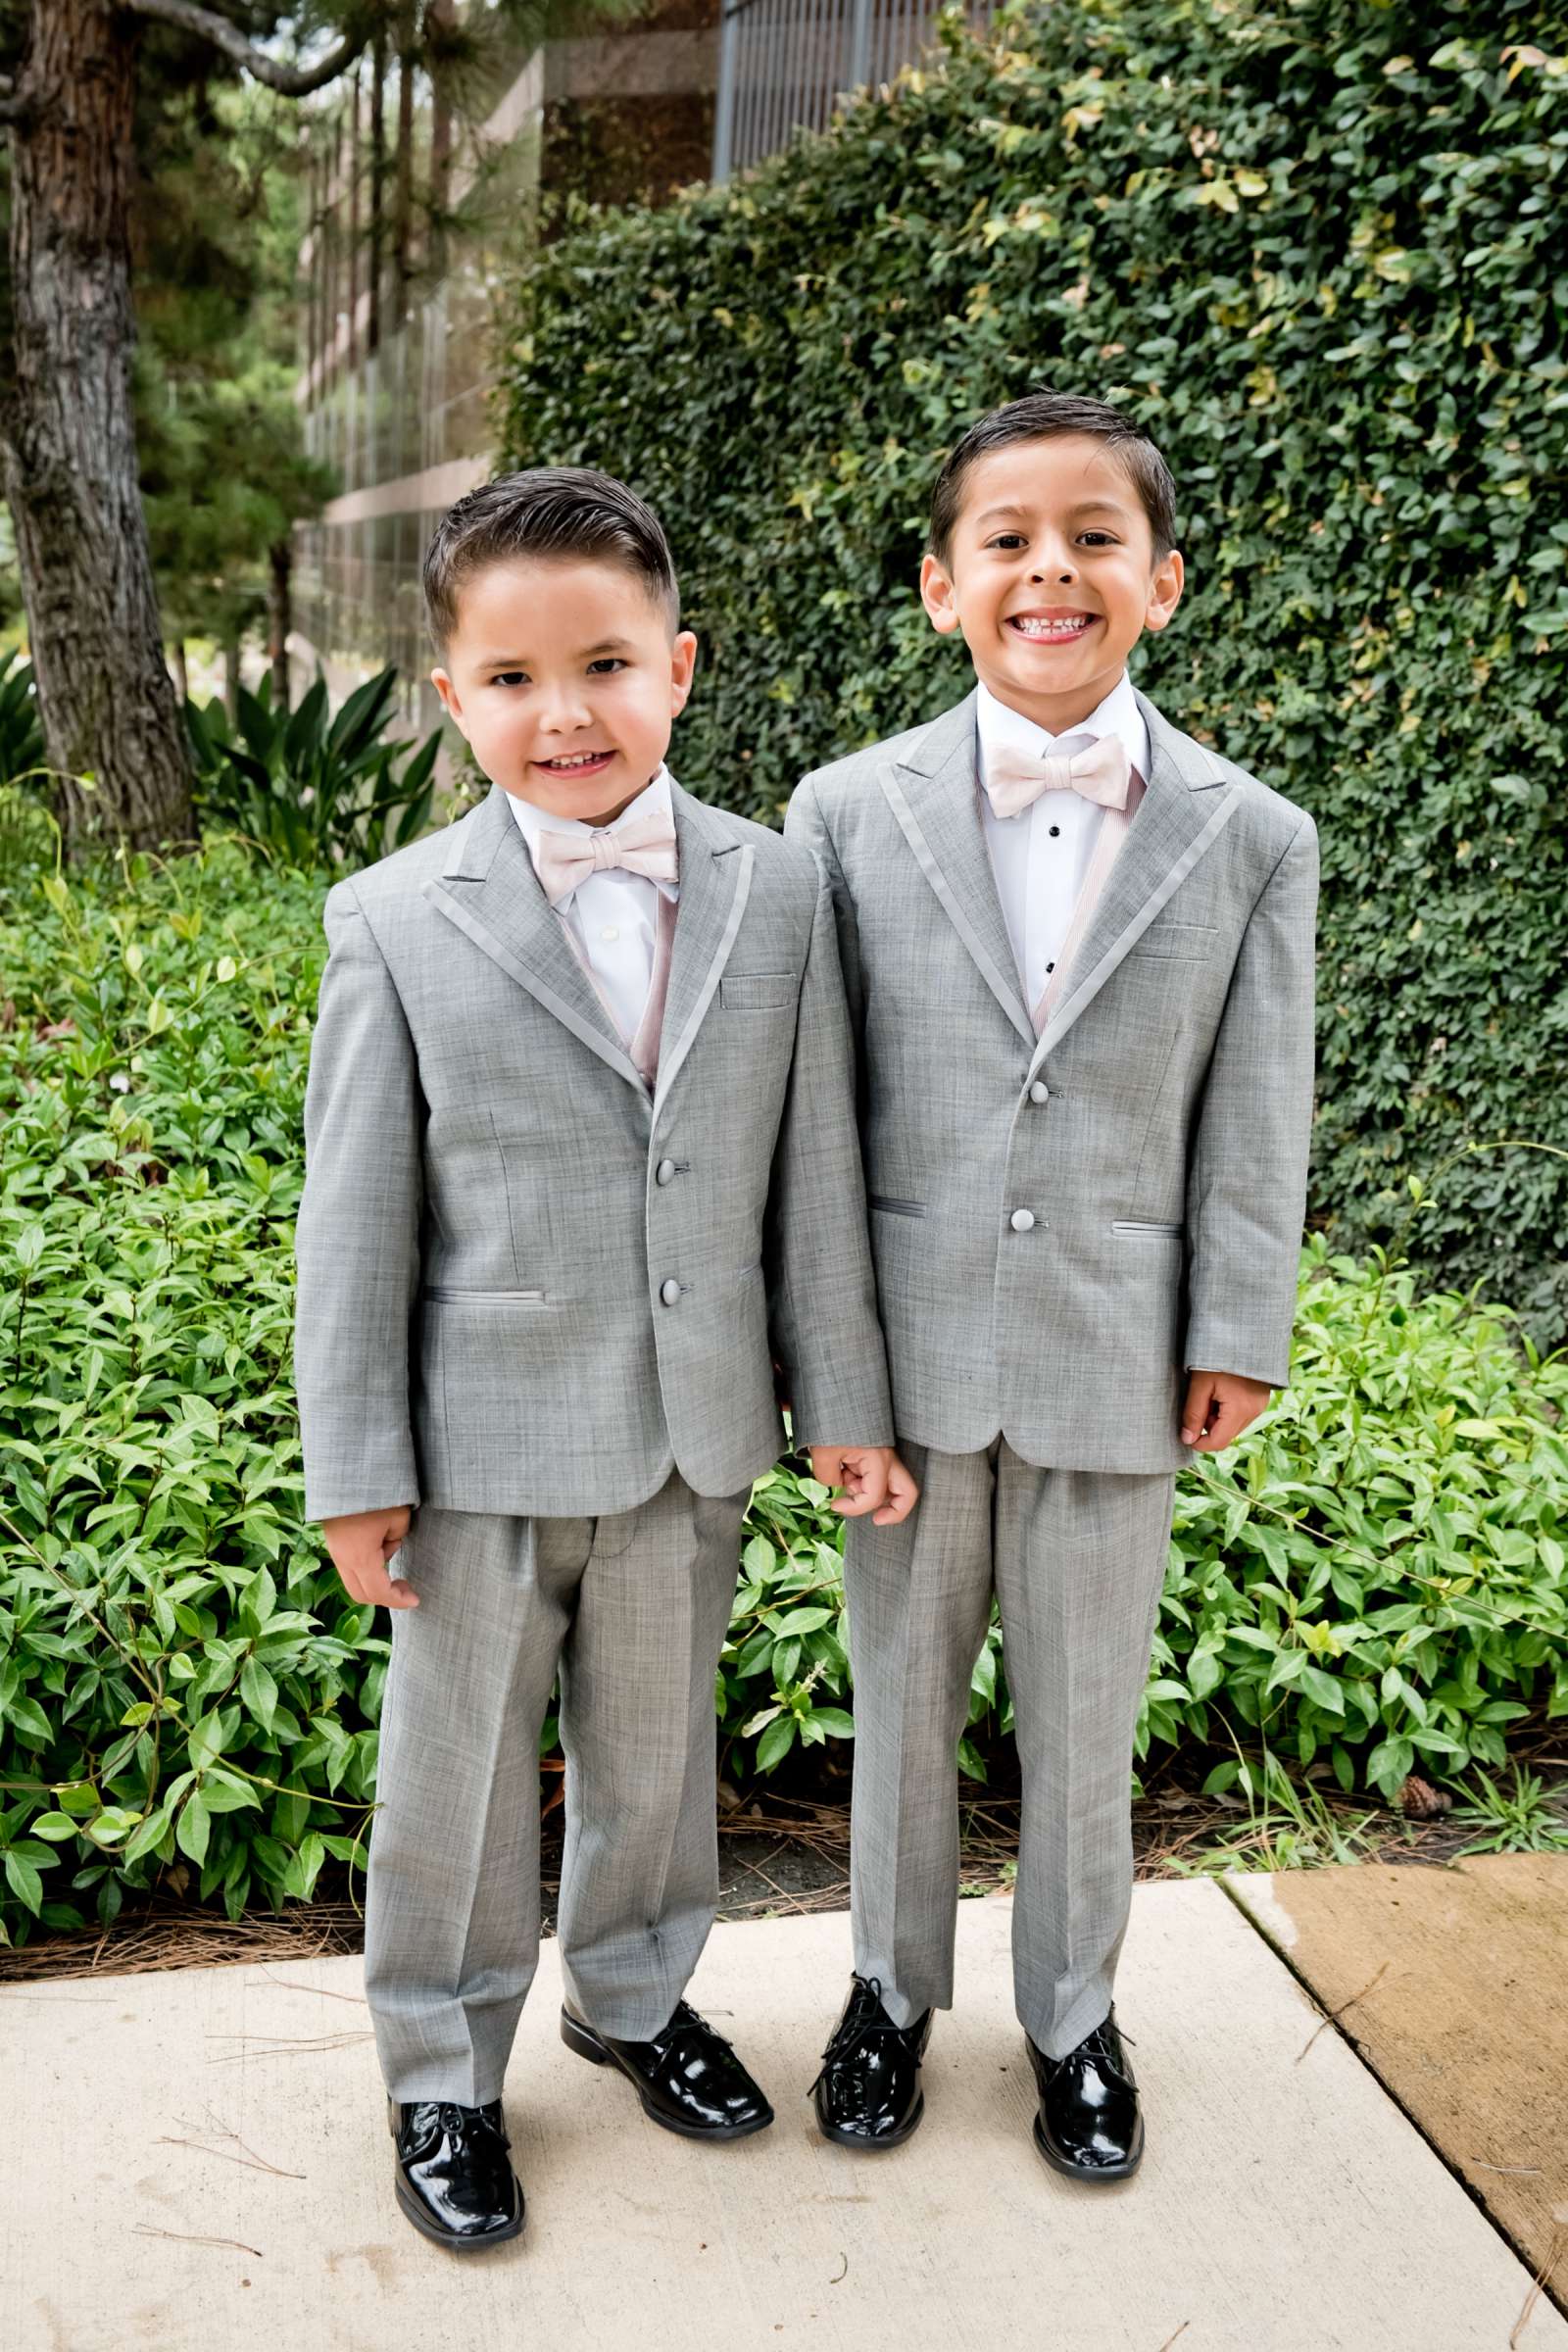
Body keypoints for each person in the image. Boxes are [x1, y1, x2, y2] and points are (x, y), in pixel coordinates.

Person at [295, 466, 914, 2250]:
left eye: (606, 664)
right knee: (459, 1774)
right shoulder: (393, 919)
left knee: (656, 1751)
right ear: (451, 696)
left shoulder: (779, 892)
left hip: (691, 1430)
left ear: (680, 667)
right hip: (479, 1442)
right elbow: (358, 1223)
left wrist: (842, 1406)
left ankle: (633, 1994)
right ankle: (440, 2066)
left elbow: (815, 1176)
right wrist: (361, 1467)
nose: (563, 712)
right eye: (511, 679)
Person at [787, 389, 1318, 2180]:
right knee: (902, 1704)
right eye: (1007, 540)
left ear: (1162, 581)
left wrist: (1237, 1330)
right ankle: (887, 1991)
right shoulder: (846, 814)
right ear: (943, 586)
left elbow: (1258, 1108)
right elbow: (816, 1122)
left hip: (1118, 1353)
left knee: (1092, 1715)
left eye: (1093, 537)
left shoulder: (1254, 836)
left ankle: (1077, 2019)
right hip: (911, 1374)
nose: (1050, 570)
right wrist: (834, 1383)